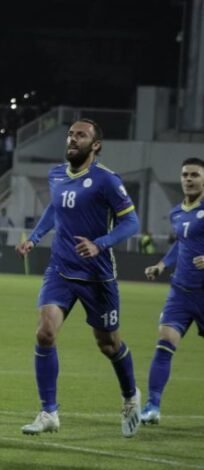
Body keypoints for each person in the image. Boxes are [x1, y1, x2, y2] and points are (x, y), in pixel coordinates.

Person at [15, 119, 142, 438]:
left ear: (95, 145)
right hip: (60, 269)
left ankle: (130, 396)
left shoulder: (107, 180)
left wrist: (100, 244)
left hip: (96, 276)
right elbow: (54, 209)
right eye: (70, 134)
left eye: (81, 135)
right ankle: (49, 412)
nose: (72, 139)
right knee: (45, 333)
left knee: (108, 344)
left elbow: (131, 223)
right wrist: (34, 237)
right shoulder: (57, 174)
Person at [140, 157, 204, 425]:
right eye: (185, 175)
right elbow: (181, 244)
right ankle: (152, 406)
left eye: (195, 175)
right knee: (164, 343)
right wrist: (161, 265)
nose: (189, 179)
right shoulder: (177, 212)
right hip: (181, 292)